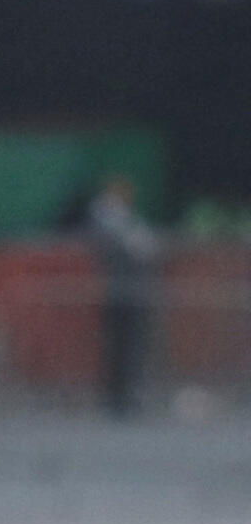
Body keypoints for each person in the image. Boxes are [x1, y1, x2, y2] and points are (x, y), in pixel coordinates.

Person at [86, 174, 158, 417]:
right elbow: (140, 249)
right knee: (121, 349)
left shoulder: (126, 221)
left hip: (129, 294)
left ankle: (126, 397)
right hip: (121, 294)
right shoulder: (109, 220)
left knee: (129, 349)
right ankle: (119, 399)